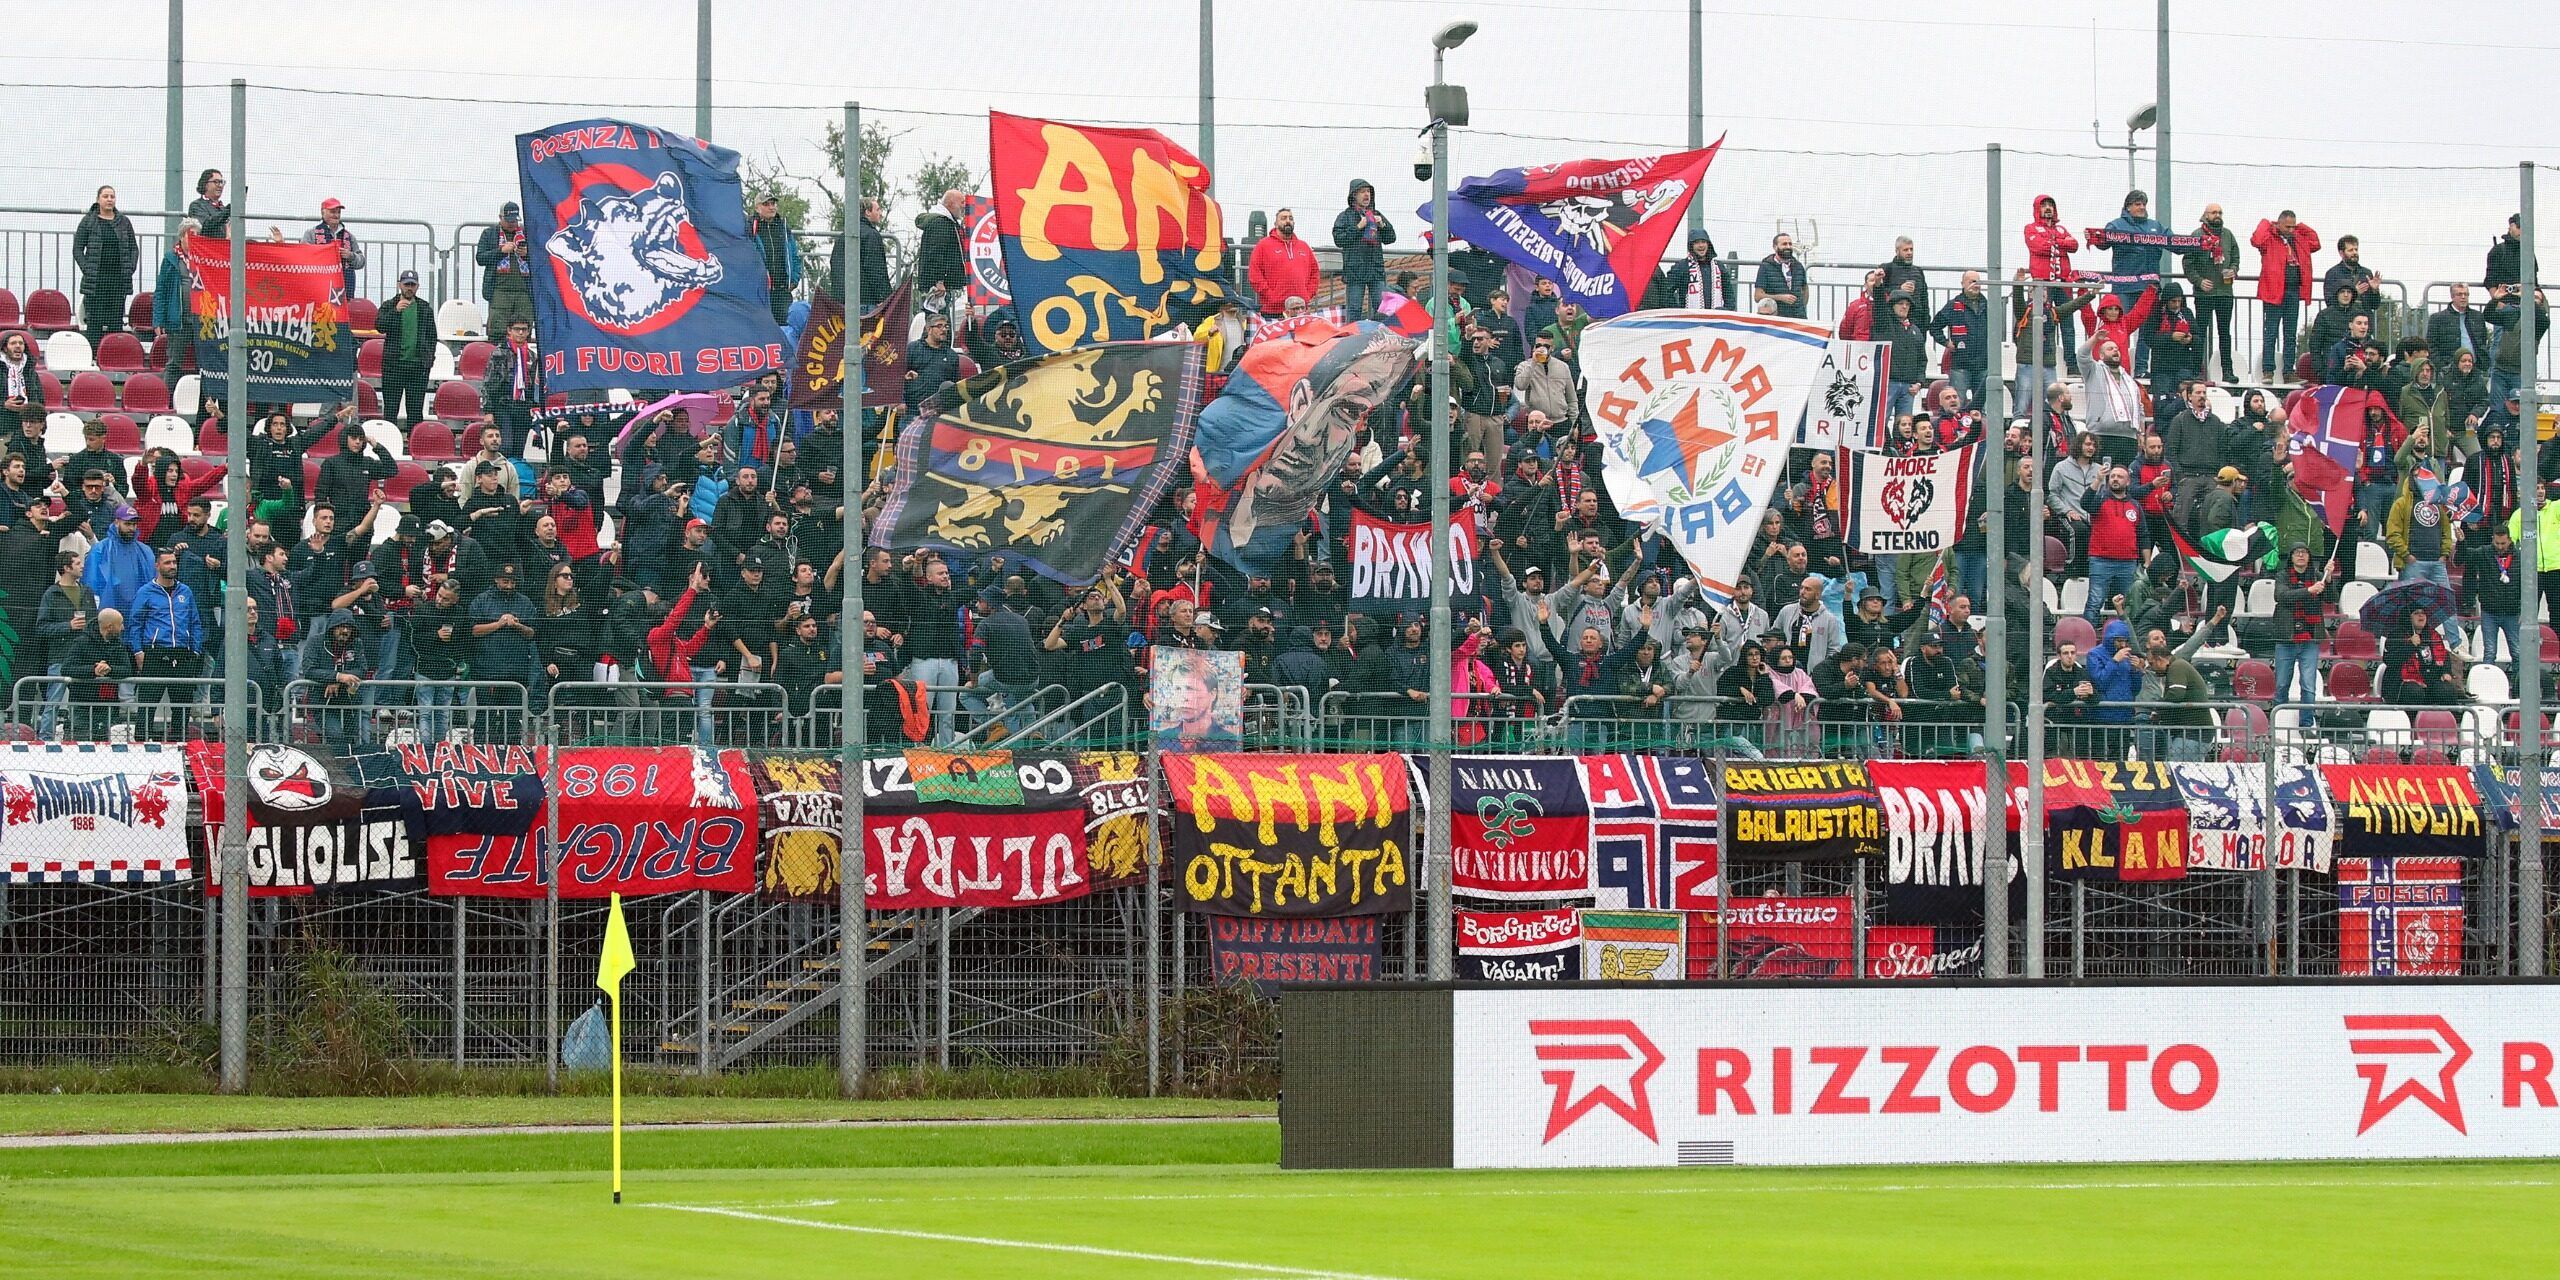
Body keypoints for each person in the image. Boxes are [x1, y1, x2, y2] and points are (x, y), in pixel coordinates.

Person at [125, 547, 203, 736]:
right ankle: (142, 744)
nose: (172, 566)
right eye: (167, 562)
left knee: (182, 707)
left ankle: (180, 745)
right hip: (155, 653)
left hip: (183, 654)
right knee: (147, 705)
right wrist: (138, 651)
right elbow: (135, 623)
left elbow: (195, 622)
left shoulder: (186, 591)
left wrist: (195, 651)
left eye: (174, 562)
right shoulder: (146, 592)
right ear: (157, 565)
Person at [2251, 210, 2321, 381]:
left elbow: (2316, 242)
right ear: (2279, 224)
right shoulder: (2269, 238)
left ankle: (2289, 371)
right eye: (2287, 226)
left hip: (2293, 291)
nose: (2291, 229)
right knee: (2271, 332)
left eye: (2293, 226)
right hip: (2274, 292)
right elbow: (2256, 240)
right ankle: (2268, 370)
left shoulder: (2299, 238)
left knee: (2290, 333)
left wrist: (2300, 226)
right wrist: (2267, 222)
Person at [2182, 203, 2242, 382]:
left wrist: (2233, 269)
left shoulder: (2228, 235)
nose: (2218, 215)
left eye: (2220, 212)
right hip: (2204, 294)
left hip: (2225, 292)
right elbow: (2187, 262)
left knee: (2225, 333)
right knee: (2199, 333)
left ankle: (2228, 371)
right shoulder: (2197, 235)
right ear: (2205, 215)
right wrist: (2199, 281)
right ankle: (2196, 371)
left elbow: (2236, 256)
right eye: (2214, 212)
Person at [72, 185, 139, 343]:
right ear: (98, 199)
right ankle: (94, 356)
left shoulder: (124, 222)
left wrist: (130, 268)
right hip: (96, 281)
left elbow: (133, 248)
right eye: (106, 196)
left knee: (115, 322)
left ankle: (113, 356)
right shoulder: (89, 221)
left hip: (117, 280)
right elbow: (77, 249)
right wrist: (87, 269)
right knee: (94, 321)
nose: (109, 200)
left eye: (112, 197)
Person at [61, 607, 133, 740]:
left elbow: (127, 669)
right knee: (80, 740)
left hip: (107, 703)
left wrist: (109, 669)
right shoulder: (81, 642)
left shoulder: (119, 644)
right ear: (110, 626)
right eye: (120, 624)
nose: (122, 628)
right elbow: (66, 668)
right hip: (82, 702)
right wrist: (93, 670)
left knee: (102, 742)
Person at [2271, 543, 2329, 705]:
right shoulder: (2282, 576)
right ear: (2291, 557)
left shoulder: (2318, 577)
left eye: (2304, 552)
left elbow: (2331, 598)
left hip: (2310, 639)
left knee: (2309, 686)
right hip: (2286, 638)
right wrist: (2308, 591)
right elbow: (2281, 596)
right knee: (2282, 684)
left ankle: (2306, 724)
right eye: (2297, 552)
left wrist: (2329, 580)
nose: (2301, 555)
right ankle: (2278, 722)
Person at [378, 269, 438, 424]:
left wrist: (428, 360)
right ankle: (388, 445)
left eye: (412, 284)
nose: (409, 288)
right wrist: (395, 311)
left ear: (417, 286)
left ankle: (414, 445)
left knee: (415, 412)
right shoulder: (389, 305)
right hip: (394, 367)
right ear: (400, 285)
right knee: (390, 410)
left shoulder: (425, 308)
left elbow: (432, 337)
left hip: (417, 368)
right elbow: (379, 326)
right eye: (406, 285)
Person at [1331, 180, 1395, 321]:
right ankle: (1352, 340)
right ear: (1354, 195)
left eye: (1368, 191)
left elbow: (1391, 238)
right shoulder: (1345, 216)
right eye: (1362, 191)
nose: (1367, 195)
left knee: (1384, 308)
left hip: (1375, 270)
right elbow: (1339, 239)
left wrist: (1383, 225)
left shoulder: (1376, 214)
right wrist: (1358, 227)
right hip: (1355, 270)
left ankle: (1384, 337)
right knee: (1354, 310)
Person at [481, 317, 542, 451]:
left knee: (519, 448)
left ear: (528, 332)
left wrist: (535, 407)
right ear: (509, 331)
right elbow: (488, 383)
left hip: (524, 408)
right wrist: (488, 410)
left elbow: (535, 385)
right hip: (504, 405)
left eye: (524, 329)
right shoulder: (499, 353)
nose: (520, 333)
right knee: (505, 446)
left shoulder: (532, 356)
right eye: (517, 329)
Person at [2382, 607, 2464, 707]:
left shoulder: (2433, 635)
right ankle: (2412, 721)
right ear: (2408, 617)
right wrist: (2410, 645)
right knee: (2414, 691)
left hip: (2430, 681)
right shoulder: (2395, 635)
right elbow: (2390, 660)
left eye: (2423, 613)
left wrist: (2445, 672)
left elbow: (2444, 656)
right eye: (2416, 613)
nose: (2421, 616)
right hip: (2401, 682)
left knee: (2446, 690)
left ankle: (2449, 720)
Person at [1247, 208, 1319, 319]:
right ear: (1276, 224)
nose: (1287, 221)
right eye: (1283, 218)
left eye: (1290, 218)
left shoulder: (1304, 246)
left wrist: (1307, 295)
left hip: (1300, 309)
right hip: (1273, 310)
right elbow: (1255, 275)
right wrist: (1271, 296)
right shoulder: (1263, 245)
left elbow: (1315, 273)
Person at [476, 201, 534, 336]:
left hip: (524, 292)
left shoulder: (528, 233)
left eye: (514, 220)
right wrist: (501, 251)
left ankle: (522, 356)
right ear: (500, 217)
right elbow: (480, 258)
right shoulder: (489, 234)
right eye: (508, 220)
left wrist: (527, 255)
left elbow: (543, 259)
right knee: (498, 331)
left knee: (522, 331)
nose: (511, 223)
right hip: (499, 291)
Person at [915, 189, 970, 326]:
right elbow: (935, 254)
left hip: (941, 285)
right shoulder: (941, 224)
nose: (965, 206)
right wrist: (938, 281)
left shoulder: (945, 223)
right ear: (951, 203)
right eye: (962, 202)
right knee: (939, 326)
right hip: (939, 288)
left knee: (938, 324)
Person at [746, 192, 801, 326]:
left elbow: (794, 255)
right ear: (757, 207)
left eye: (773, 204)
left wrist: (794, 279)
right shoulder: (750, 229)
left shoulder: (783, 228)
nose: (772, 207)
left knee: (785, 328)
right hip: (761, 291)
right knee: (761, 328)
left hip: (782, 290)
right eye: (766, 204)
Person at [1647, 230, 1737, 311]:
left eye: (1703, 242)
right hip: (1690, 321)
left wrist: (1725, 310)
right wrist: (1678, 311)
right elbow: (1666, 291)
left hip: (1716, 320)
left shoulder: (1719, 267)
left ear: (1708, 244)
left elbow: (1728, 292)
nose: (1701, 245)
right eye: (1697, 243)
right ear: (1691, 246)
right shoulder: (1682, 267)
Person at [306, 198, 366, 293]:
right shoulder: (311, 233)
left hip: (345, 289)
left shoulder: (349, 237)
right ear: (323, 213)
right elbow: (302, 257)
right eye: (332, 212)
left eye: (338, 212)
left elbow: (361, 262)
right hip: (318, 287)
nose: (336, 215)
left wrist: (350, 255)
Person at [2023, 194, 2078, 282]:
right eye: (2043, 205)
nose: (2048, 208)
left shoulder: (2061, 229)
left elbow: (2074, 246)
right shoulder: (2030, 228)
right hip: (2042, 281)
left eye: (2050, 205)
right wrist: (2063, 244)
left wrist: (2052, 242)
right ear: (2037, 209)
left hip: (2064, 281)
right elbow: (2040, 247)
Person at [1755, 233, 1808, 318]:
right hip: (1777, 318)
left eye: (1790, 244)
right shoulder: (1765, 267)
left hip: (1798, 317)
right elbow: (1758, 296)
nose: (1788, 247)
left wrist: (1801, 307)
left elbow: (1805, 288)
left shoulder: (1798, 266)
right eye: (1784, 244)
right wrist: (1780, 297)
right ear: (1775, 247)